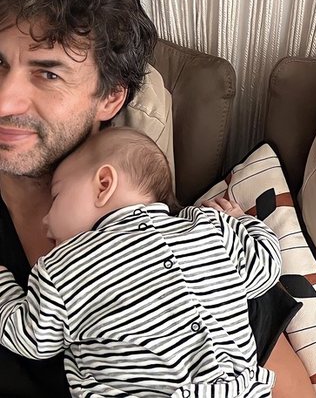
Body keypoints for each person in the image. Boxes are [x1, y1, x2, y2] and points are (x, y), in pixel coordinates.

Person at [0, 0, 314, 397]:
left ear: (110, 98)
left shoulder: (186, 238)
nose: (4, 101)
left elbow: (292, 388)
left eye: (48, 74)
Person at [0, 127, 282, 397]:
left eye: (56, 197)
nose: (46, 220)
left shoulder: (65, 267)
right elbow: (267, 267)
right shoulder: (208, 228)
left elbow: (31, 337)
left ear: (104, 185)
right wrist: (239, 221)